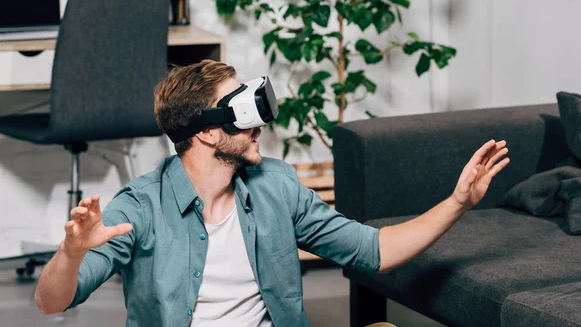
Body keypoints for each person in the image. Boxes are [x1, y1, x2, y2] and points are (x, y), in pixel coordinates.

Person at [34, 59, 510, 327]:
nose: (260, 122)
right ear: (205, 132)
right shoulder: (139, 205)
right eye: (243, 110)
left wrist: (457, 203)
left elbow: (373, 251)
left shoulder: (276, 185)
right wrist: (71, 253)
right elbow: (51, 302)